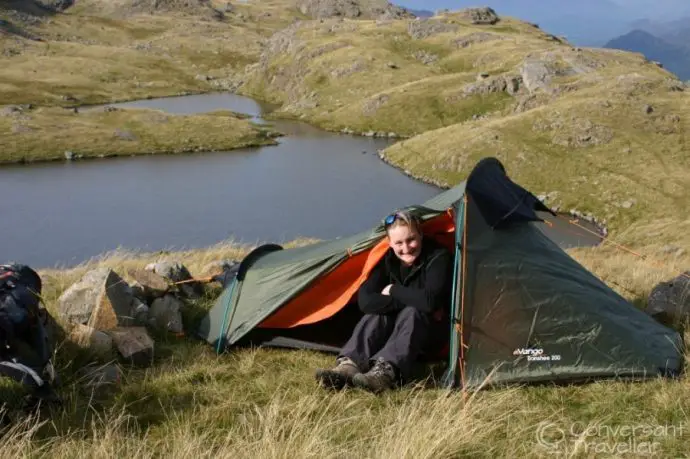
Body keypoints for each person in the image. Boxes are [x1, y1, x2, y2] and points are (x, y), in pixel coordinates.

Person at [315, 210, 454, 393]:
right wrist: (409, 299)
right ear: (390, 243)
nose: (406, 248)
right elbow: (365, 301)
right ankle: (348, 366)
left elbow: (429, 302)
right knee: (379, 313)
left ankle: (386, 373)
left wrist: (393, 290)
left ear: (420, 234)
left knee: (414, 312)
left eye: (411, 239)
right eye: (398, 243)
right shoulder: (387, 260)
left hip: (431, 335)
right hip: (395, 333)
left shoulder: (438, 256)